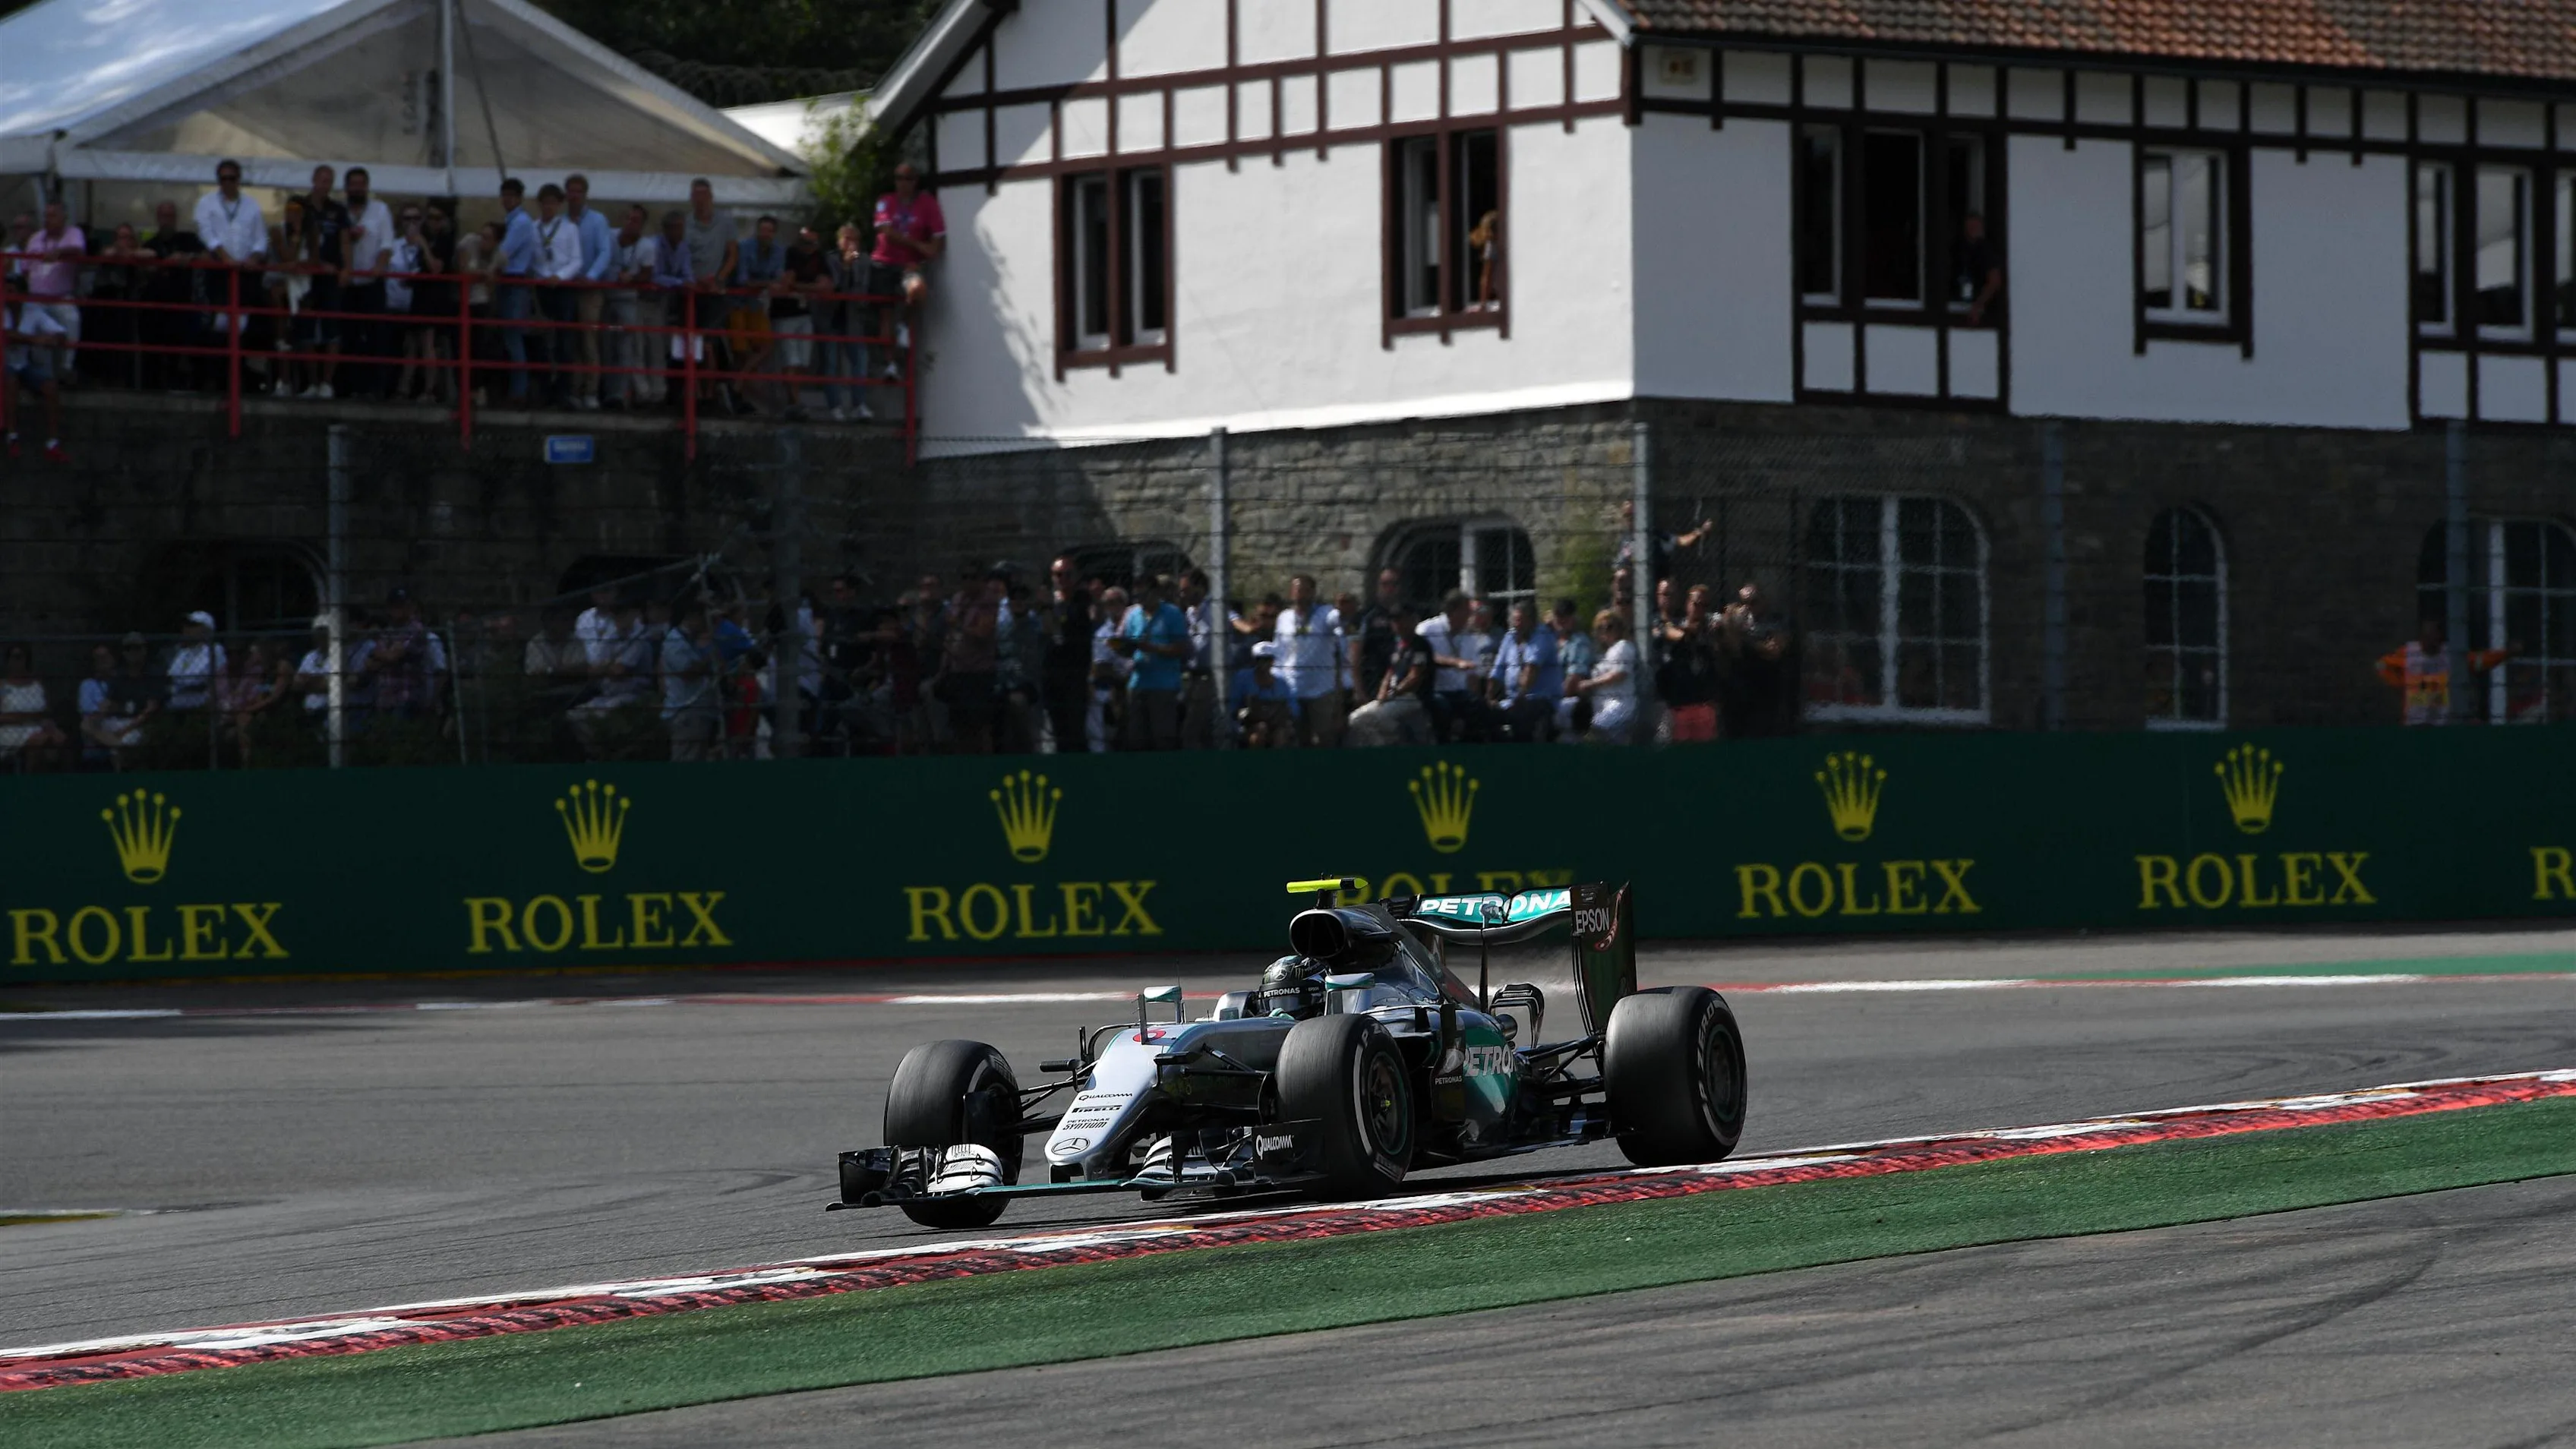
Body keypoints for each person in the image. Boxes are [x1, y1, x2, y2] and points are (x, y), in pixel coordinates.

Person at [867, 162, 944, 381]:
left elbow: (939, 236)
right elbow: (887, 232)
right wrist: (920, 246)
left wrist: (928, 256)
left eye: (908, 178)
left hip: (909, 265)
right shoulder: (885, 201)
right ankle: (891, 365)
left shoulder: (927, 203)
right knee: (885, 315)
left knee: (918, 291)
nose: (903, 182)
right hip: (883, 262)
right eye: (899, 178)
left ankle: (904, 324)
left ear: (916, 181)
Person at [192, 159, 267, 352]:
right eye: (223, 178)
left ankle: (238, 371)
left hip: (245, 272)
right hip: (219, 271)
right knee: (218, 322)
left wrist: (254, 257)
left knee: (242, 323)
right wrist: (224, 258)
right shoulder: (206, 203)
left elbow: (261, 239)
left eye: (231, 178)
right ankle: (218, 373)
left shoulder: (252, 205)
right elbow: (206, 232)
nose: (227, 182)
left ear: (238, 179)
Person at [2378, 618, 2511, 726]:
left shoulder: (2450, 655)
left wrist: (2507, 653)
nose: (2431, 639)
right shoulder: (2409, 653)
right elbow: (2382, 665)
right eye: (2427, 635)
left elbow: (2479, 661)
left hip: (2444, 722)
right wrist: (2401, 684)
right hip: (2415, 721)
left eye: (2434, 635)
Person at [1115, 573, 1190, 750]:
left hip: (1163, 686)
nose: (1140, 600)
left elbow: (1181, 648)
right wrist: (1122, 648)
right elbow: (1127, 643)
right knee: (1137, 738)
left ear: (1156, 592)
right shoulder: (1133, 615)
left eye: (1144, 595)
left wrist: (1154, 648)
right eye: (1137, 596)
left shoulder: (1172, 614)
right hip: (1138, 684)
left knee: (1163, 738)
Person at [296, 165, 351, 397]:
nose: (325, 184)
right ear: (313, 180)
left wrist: (347, 268)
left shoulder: (338, 210)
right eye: (322, 179)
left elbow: (345, 242)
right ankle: (311, 383)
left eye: (329, 181)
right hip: (306, 278)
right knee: (306, 330)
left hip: (330, 279)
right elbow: (293, 240)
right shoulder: (299, 205)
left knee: (332, 330)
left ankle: (327, 383)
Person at [140, 200, 207, 390]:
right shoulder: (150, 243)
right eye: (163, 216)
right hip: (155, 307)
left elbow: (207, 255)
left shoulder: (188, 240)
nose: (166, 220)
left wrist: (186, 258)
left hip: (182, 305)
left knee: (180, 351)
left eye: (170, 216)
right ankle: (150, 389)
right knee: (152, 352)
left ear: (176, 219)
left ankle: (181, 385)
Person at [1273, 574, 1346, 748]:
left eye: (1306, 591)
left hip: (1321, 690)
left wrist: (1342, 611)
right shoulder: (1284, 618)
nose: (1301, 595)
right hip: (1293, 688)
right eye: (1297, 591)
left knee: (1325, 738)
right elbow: (1279, 652)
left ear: (1313, 593)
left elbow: (1337, 619)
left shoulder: (1325, 613)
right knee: (1298, 740)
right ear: (1291, 593)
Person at [683, 178, 739, 403]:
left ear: (711, 197)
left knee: (709, 344)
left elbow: (732, 255)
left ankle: (709, 394)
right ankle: (693, 393)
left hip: (715, 292)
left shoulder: (726, 223)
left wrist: (718, 279)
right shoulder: (685, 224)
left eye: (704, 195)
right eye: (697, 195)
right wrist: (694, 280)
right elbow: (682, 257)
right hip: (691, 291)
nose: (701, 200)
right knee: (689, 344)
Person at [341, 166, 396, 396]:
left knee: (377, 337)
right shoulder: (340, 211)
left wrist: (379, 268)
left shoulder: (380, 210)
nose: (357, 188)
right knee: (348, 336)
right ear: (346, 188)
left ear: (367, 187)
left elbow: (387, 244)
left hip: (372, 284)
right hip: (348, 285)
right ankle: (349, 387)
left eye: (361, 184)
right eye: (352, 184)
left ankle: (377, 389)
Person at [1345, 607, 1433, 747]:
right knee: (1355, 719)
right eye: (1395, 621)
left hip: (1411, 698)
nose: (1398, 624)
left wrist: (1394, 692)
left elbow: (1415, 676)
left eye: (1401, 620)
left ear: (1411, 621)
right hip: (1392, 697)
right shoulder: (1398, 645)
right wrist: (1383, 691)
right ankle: (1381, 750)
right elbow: (1390, 671)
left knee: (1375, 719)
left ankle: (1389, 749)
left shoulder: (1420, 644)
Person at [3, 274, 69, 461]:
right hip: (4, 365)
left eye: (11, 291)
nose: (7, 295)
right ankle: (12, 436)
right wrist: (34, 339)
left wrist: (54, 339)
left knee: (51, 387)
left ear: (23, 294)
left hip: (24, 365)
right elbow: (7, 335)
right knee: (11, 380)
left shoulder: (33, 311)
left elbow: (60, 332)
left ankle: (53, 442)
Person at [1716, 582, 1794, 738]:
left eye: (1753, 602)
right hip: (1737, 694)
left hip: (1766, 694)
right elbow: (1732, 648)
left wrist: (1744, 640)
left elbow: (1774, 650)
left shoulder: (1776, 621)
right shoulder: (1733, 622)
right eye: (1743, 603)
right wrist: (1732, 625)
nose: (1748, 607)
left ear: (1763, 602)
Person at [564, 175, 615, 411]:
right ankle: (573, 390)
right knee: (570, 341)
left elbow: (605, 252)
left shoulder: (597, 221)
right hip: (567, 288)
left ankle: (591, 391)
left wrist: (591, 276)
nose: (574, 196)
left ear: (585, 195)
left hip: (590, 290)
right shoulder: (561, 221)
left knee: (589, 340)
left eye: (578, 191)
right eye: (570, 191)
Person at [531, 183, 583, 404]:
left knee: (565, 341)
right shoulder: (533, 228)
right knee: (543, 338)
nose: (548, 207)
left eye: (553, 203)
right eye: (545, 203)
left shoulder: (569, 228)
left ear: (559, 204)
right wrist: (544, 275)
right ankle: (543, 388)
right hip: (542, 287)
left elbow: (577, 259)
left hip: (564, 289)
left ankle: (564, 389)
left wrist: (560, 276)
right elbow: (532, 260)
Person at [942, 569, 1004, 754]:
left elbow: (983, 634)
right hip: (957, 669)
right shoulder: (958, 599)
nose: (969, 582)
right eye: (965, 577)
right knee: (959, 724)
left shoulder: (988, 602)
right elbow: (950, 635)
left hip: (979, 671)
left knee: (981, 724)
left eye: (973, 577)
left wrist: (959, 624)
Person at [23, 199, 84, 382]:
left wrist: (59, 252)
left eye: (52, 216)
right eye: (46, 216)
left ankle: (67, 367)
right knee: (36, 333)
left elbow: (78, 250)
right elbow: (25, 268)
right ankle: (41, 374)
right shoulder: (35, 238)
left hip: (61, 297)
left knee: (72, 319)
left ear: (63, 217)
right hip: (37, 298)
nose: (48, 220)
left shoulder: (73, 233)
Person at [1487, 598, 1562, 743]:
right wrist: (1489, 699)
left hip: (1540, 700)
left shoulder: (1543, 636)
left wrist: (1520, 697)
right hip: (1512, 701)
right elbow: (1498, 670)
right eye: (1514, 620)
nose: (1516, 624)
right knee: (1483, 715)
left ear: (1532, 621)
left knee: (1522, 715)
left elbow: (1531, 670)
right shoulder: (1510, 637)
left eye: (1520, 620)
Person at [493, 177, 539, 402]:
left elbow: (504, 253)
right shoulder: (517, 220)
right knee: (512, 337)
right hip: (512, 281)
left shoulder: (520, 221)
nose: (508, 199)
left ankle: (519, 392)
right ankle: (516, 389)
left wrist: (489, 270)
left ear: (519, 198)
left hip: (515, 281)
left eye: (512, 196)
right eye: (505, 195)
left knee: (513, 337)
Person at [1657, 585, 1721, 743]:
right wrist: (1691, 631)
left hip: (1705, 704)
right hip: (1680, 704)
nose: (1700, 609)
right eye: (1696, 604)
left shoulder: (1713, 629)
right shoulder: (1675, 626)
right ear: (1687, 604)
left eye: (1704, 605)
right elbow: (1672, 634)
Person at [822, 220, 873, 420]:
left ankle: (859, 405)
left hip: (854, 319)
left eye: (854, 239)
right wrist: (845, 267)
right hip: (832, 317)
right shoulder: (830, 260)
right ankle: (835, 406)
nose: (851, 243)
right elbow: (834, 287)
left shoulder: (865, 261)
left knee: (860, 362)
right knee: (831, 364)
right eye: (847, 238)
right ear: (839, 241)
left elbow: (863, 289)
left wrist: (853, 268)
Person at [1415, 589, 1479, 743]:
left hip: (1459, 691)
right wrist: (1456, 663)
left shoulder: (1469, 635)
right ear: (1453, 611)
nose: (1470, 616)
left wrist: (1475, 695)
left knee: (1478, 707)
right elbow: (1427, 657)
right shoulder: (1427, 630)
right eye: (1467, 611)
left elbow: (1473, 674)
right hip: (1435, 691)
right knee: (1442, 708)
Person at [1567, 611, 1639, 743]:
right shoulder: (1602, 654)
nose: (1606, 631)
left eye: (1610, 627)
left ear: (1619, 628)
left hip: (1620, 707)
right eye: (1601, 628)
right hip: (1602, 708)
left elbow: (1619, 674)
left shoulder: (1623, 646)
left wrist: (1590, 683)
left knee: (1596, 732)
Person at [660, 603, 719, 759]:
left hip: (699, 710)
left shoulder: (692, 641)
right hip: (686, 712)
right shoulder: (675, 641)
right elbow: (687, 672)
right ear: (694, 617)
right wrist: (712, 655)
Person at [1176, 567, 1226, 749]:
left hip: (1210, 678)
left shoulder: (1216, 609)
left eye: (1186, 590)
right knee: (1201, 731)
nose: (1182, 595)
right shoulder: (1189, 613)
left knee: (1192, 731)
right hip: (1190, 677)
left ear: (1200, 588)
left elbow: (1235, 621)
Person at [213, 639, 283, 766]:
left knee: (242, 724)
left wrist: (237, 712)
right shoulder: (220, 673)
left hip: (245, 715)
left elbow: (257, 697)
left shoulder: (256, 672)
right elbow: (213, 699)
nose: (234, 658)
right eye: (230, 654)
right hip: (221, 717)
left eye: (238, 653)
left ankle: (247, 766)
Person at [0, 643, 67, 771]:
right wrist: (29, 718)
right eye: (14, 657)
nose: (17, 662)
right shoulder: (2, 687)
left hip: (39, 726)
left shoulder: (37, 685)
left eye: (20, 657)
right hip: (11, 730)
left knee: (60, 739)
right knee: (38, 741)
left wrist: (51, 726)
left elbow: (47, 712)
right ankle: (29, 779)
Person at [1087, 585, 1131, 752]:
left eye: (1118, 602)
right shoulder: (1102, 634)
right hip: (1110, 687)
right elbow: (1101, 667)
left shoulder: (1136, 626)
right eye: (1109, 603)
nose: (1114, 606)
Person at [1350, 567, 1405, 700]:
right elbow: (1355, 659)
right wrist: (1359, 692)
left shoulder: (1408, 614)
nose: (1389, 589)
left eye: (1394, 584)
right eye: (1385, 584)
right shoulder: (1366, 616)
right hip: (1373, 682)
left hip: (1403, 683)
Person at [1232, 641, 1298, 748]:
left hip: (1278, 723)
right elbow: (1234, 707)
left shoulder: (1282, 680)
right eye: (1259, 660)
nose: (1263, 664)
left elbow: (1293, 708)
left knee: (1280, 735)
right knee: (1260, 731)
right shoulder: (1242, 678)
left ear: (1272, 661)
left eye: (1267, 660)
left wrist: (1283, 716)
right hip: (1250, 723)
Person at [1549, 598, 1598, 739]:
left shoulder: (1579, 642)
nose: (1561, 620)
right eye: (1558, 615)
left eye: (1565, 615)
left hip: (1569, 699)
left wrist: (1553, 699)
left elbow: (1575, 679)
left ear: (1573, 618)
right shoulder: (1551, 640)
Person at [164, 611, 226, 712]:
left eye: (193, 626)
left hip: (201, 705)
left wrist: (182, 683)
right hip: (177, 704)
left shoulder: (215, 650)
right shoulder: (184, 652)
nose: (187, 629)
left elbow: (198, 679)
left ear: (206, 630)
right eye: (186, 625)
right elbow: (171, 676)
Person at [1956, 211, 2004, 325]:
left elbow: (1995, 280)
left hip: (1983, 311)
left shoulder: (1985, 251)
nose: (1971, 231)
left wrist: (1978, 306)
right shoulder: (1961, 251)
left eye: (1975, 227)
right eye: (1969, 227)